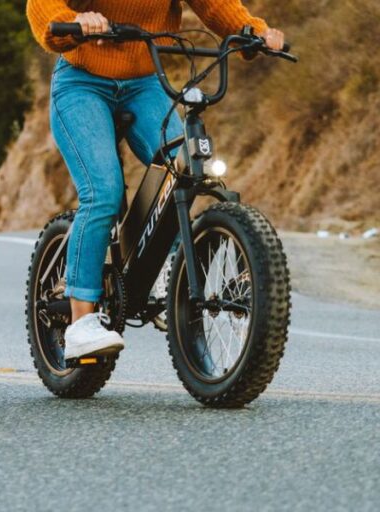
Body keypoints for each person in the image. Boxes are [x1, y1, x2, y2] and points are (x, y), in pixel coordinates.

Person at [26, 0, 284, 360]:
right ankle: (81, 323)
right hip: (81, 83)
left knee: (182, 171)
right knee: (103, 192)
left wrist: (251, 31)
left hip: (144, 82)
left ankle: (168, 276)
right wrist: (72, 21)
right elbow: (43, 6)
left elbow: (215, 7)